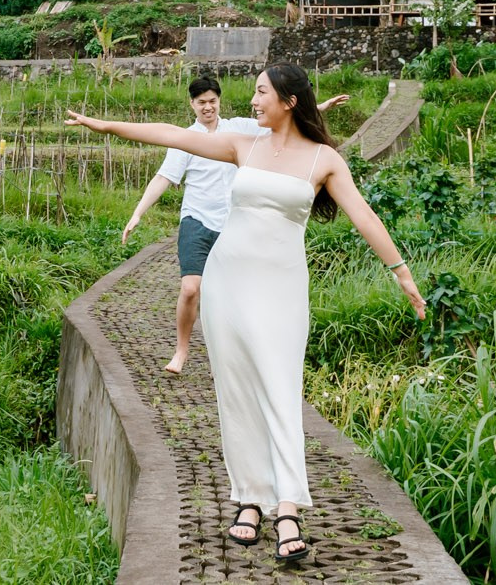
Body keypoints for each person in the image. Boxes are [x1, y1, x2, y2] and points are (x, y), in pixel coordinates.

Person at [70, 64, 424, 565]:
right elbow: (173, 136)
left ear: (288, 100)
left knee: (280, 391)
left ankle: (288, 510)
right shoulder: (244, 144)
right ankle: (250, 500)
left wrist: (401, 272)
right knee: (236, 398)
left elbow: (363, 215)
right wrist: (107, 127)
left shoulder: (324, 159)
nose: (252, 99)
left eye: (260, 91)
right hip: (227, 284)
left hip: (281, 288)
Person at [122, 75, 348, 375]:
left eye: (212, 101)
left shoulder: (238, 128)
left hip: (232, 225)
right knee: (191, 289)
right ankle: (181, 350)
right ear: (192, 104)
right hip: (196, 220)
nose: (207, 108)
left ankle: (223, 357)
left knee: (226, 295)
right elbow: (164, 177)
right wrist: (138, 213)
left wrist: (320, 108)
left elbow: (283, 119)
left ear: (219, 102)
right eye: (201, 103)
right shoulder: (187, 139)